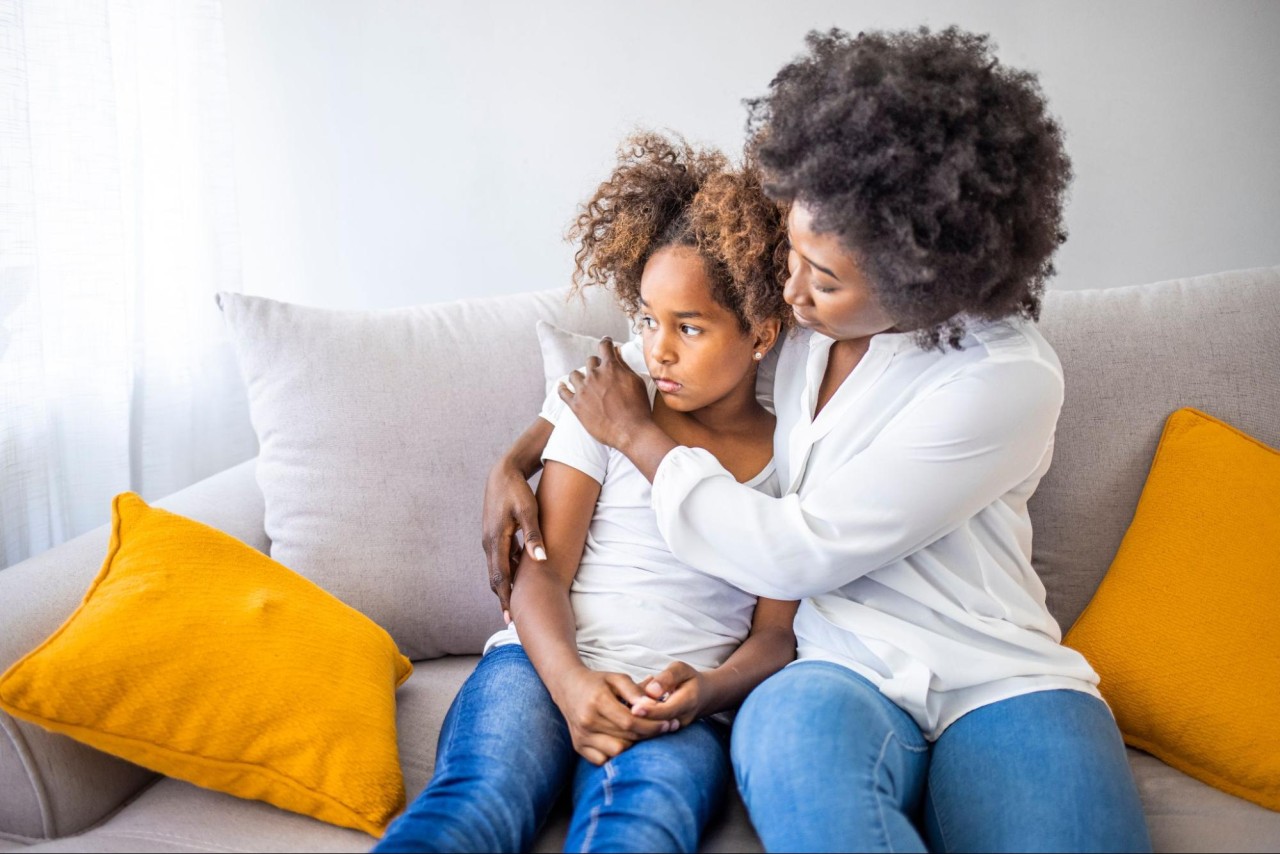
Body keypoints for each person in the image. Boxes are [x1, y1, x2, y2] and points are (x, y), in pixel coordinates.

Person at [483, 27, 1152, 853]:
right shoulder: (794, 332)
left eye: (824, 278)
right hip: (831, 667)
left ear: (922, 276)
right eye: (793, 255)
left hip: (995, 674)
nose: (791, 291)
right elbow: (653, 358)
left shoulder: (1005, 378)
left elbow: (796, 553)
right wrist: (517, 458)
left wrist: (640, 442)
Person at [376, 132, 798, 854]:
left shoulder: (792, 454)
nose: (657, 349)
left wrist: (709, 689)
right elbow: (543, 570)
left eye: (688, 328)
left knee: (638, 828)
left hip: (673, 702)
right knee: (479, 799)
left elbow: (774, 635)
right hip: (540, 666)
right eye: (646, 320)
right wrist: (572, 686)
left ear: (760, 333)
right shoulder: (610, 398)